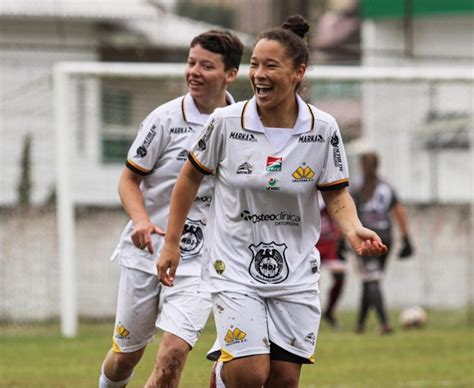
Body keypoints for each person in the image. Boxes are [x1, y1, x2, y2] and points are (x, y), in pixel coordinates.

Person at [157, 15, 387, 388]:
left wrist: (353, 228)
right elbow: (190, 176)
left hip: (295, 272)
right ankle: (222, 374)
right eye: (254, 64)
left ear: (299, 71)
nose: (259, 74)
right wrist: (171, 243)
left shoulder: (323, 128)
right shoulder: (226, 121)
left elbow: (336, 192)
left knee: (282, 380)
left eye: (270, 66)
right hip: (232, 267)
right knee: (249, 373)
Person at [98, 30, 244, 388]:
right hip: (146, 252)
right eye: (191, 62)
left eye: (206, 66)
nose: (194, 72)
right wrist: (142, 221)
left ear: (231, 74)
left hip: (200, 261)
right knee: (126, 356)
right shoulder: (164, 119)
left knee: (173, 354)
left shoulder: (243, 125)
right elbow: (128, 181)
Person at [351, 151, 414, 335]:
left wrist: (341, 240)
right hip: (386, 236)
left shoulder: (356, 187)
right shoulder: (387, 186)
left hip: (366, 236)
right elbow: (399, 211)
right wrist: (406, 239)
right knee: (371, 278)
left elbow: (345, 212)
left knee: (371, 278)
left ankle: (385, 323)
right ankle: (360, 324)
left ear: (361, 166)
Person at [316, 193, 347, 329]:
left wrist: (341, 238)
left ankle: (329, 311)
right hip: (312, 244)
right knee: (311, 282)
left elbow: (341, 213)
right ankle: (312, 314)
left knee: (340, 278)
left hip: (331, 243)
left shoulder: (329, 189)